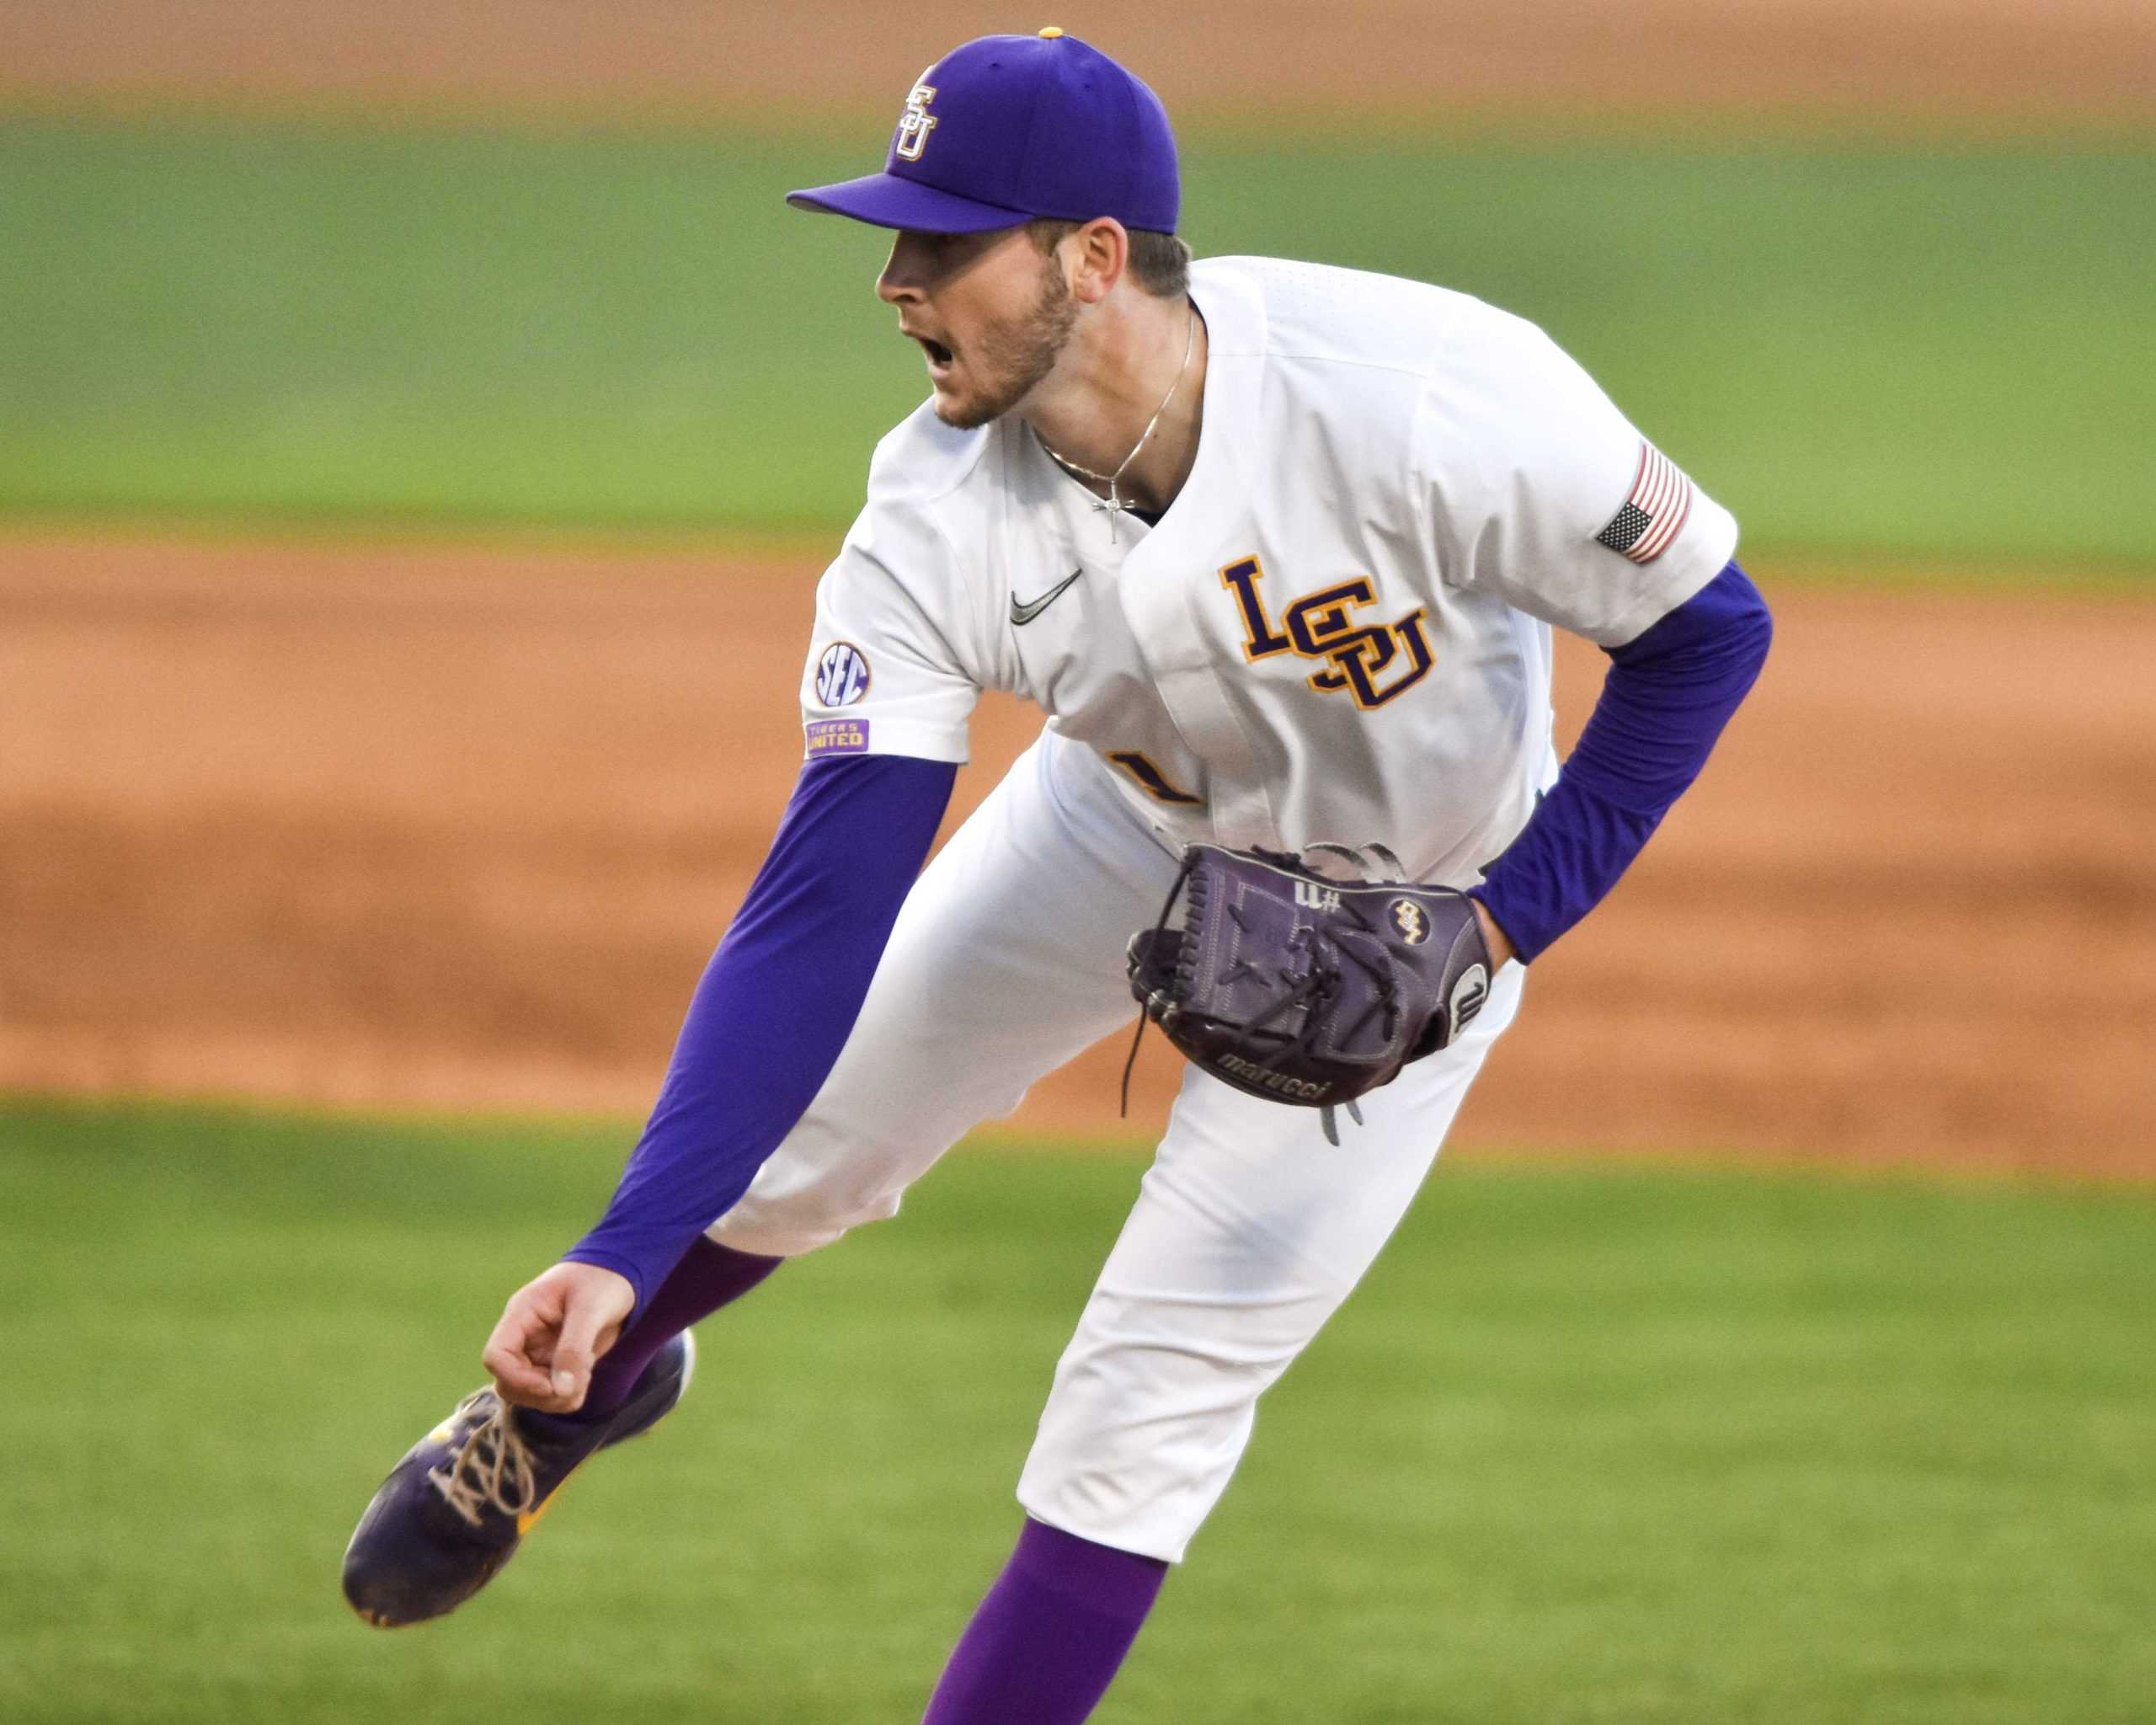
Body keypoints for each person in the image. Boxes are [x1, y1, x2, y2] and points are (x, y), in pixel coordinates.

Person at [343, 28, 1772, 1722]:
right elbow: (821, 904)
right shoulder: (929, 512)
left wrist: (1499, 922)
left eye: (939, 244)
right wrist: (619, 1242)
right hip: (1119, 823)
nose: (892, 282)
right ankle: (574, 1395)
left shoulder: (1429, 398)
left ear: (1092, 258)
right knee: (803, 1141)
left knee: (1139, 1409)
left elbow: (1703, 633)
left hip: (1418, 912)